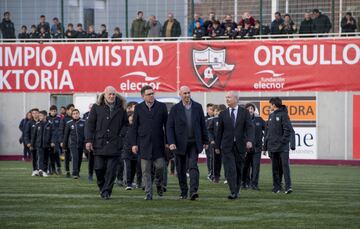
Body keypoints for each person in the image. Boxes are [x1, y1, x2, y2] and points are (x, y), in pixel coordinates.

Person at [85, 86, 128, 200]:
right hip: (99, 143)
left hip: (115, 144)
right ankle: (102, 187)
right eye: (109, 94)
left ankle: (106, 192)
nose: (111, 96)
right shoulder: (96, 107)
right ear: (104, 95)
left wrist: (121, 135)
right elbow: (90, 125)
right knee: (99, 169)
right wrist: (89, 140)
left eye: (113, 94)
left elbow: (125, 125)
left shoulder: (121, 108)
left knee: (111, 171)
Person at [167, 86, 208, 200]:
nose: (187, 95)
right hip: (179, 144)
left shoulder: (198, 107)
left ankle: (193, 191)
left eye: (188, 93)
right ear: (180, 94)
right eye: (185, 93)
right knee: (180, 169)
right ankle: (184, 191)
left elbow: (202, 125)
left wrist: (205, 140)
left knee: (193, 166)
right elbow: (169, 127)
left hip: (194, 142)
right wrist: (171, 142)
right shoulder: (175, 109)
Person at [129, 85, 168, 200]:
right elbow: (134, 127)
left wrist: (168, 141)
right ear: (143, 96)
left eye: (153, 93)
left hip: (158, 143)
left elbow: (167, 125)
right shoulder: (139, 108)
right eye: (149, 94)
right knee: (145, 170)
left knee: (160, 167)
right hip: (144, 143)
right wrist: (134, 144)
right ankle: (148, 193)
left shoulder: (161, 106)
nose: (152, 95)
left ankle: (159, 183)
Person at [215, 91, 254, 200]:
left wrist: (250, 140)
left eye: (229, 97)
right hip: (226, 146)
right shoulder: (223, 114)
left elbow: (250, 127)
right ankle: (233, 191)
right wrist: (217, 146)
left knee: (238, 169)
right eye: (226, 97)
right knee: (230, 169)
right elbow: (219, 132)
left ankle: (236, 191)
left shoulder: (244, 112)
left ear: (236, 99)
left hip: (240, 146)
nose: (227, 99)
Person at [263, 97, 293, 194]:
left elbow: (288, 130)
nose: (269, 106)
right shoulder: (271, 116)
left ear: (274, 105)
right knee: (275, 168)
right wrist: (266, 146)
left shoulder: (284, 115)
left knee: (285, 167)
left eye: (270, 104)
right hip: (272, 147)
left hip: (282, 147)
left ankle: (288, 187)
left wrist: (282, 141)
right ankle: (276, 187)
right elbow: (268, 133)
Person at [242, 103, 266, 190]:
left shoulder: (259, 119)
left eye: (252, 108)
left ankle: (254, 184)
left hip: (257, 148)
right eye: (248, 109)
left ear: (254, 110)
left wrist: (265, 141)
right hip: (246, 148)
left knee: (256, 167)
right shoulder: (242, 120)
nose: (250, 110)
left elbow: (267, 129)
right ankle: (244, 183)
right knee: (245, 167)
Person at [63, 109, 85, 179]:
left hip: (81, 144)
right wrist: (64, 146)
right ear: (72, 115)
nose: (75, 115)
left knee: (79, 159)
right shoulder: (69, 123)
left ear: (79, 114)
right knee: (75, 157)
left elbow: (86, 134)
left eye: (77, 113)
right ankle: (74, 173)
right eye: (74, 114)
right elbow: (66, 135)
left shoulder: (84, 122)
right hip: (72, 144)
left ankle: (77, 172)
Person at [32, 110, 54, 177]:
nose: (39, 117)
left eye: (40, 115)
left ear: (45, 116)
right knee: (40, 157)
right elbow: (34, 135)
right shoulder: (37, 124)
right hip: (39, 145)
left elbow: (53, 134)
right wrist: (32, 144)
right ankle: (40, 169)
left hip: (47, 145)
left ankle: (44, 171)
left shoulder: (50, 124)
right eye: (39, 116)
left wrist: (52, 142)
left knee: (46, 158)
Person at [122, 112, 138, 190]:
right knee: (128, 167)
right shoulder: (124, 127)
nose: (131, 118)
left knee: (134, 167)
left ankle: (131, 181)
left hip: (136, 150)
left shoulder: (137, 127)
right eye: (130, 116)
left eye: (133, 116)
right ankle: (128, 183)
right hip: (126, 150)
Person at [59, 104, 75, 177]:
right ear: (67, 110)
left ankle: (75, 171)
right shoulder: (64, 119)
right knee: (67, 157)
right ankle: (67, 171)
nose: (72, 111)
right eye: (71, 109)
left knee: (74, 157)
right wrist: (62, 141)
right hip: (66, 141)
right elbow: (61, 130)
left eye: (73, 109)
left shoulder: (75, 118)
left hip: (74, 141)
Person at [207, 105, 222, 183]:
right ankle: (215, 176)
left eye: (219, 111)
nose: (218, 112)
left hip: (224, 144)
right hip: (215, 144)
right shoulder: (213, 120)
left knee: (226, 161)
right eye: (216, 111)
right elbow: (209, 131)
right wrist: (212, 140)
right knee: (215, 160)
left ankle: (227, 177)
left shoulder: (225, 120)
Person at [24, 108, 40, 176]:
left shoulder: (41, 121)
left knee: (41, 157)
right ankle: (35, 170)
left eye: (36, 113)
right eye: (33, 113)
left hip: (41, 143)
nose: (35, 114)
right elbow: (26, 134)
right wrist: (28, 143)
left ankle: (41, 170)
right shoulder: (29, 123)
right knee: (34, 157)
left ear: (38, 113)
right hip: (32, 143)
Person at [48, 105, 62, 175]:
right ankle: (51, 169)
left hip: (56, 140)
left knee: (56, 154)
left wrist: (59, 139)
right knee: (50, 155)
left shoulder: (59, 119)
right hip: (49, 140)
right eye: (52, 111)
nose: (53, 112)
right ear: (50, 111)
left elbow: (60, 130)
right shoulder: (47, 118)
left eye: (55, 111)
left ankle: (58, 168)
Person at [83, 103, 95, 181]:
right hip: (91, 141)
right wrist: (88, 141)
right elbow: (87, 131)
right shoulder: (87, 118)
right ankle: (90, 174)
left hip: (100, 141)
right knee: (91, 159)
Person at [205, 103, 214, 181]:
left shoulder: (216, 119)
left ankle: (215, 173)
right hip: (208, 142)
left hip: (215, 142)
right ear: (207, 110)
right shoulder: (204, 119)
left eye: (213, 110)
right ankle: (210, 172)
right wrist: (205, 142)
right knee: (210, 157)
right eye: (211, 109)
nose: (212, 111)